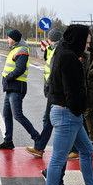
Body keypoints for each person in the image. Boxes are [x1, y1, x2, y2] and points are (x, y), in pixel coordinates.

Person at [43, 24, 93, 185]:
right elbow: (72, 89)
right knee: (58, 159)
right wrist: (78, 110)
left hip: (67, 112)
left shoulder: (63, 52)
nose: (88, 46)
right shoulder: (68, 58)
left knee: (87, 150)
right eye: (87, 42)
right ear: (78, 39)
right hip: (67, 113)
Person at [0, 30, 40, 150]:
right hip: (10, 87)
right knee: (7, 114)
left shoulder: (22, 50)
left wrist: (7, 78)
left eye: (9, 38)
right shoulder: (15, 49)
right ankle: (8, 141)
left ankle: (37, 137)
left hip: (16, 87)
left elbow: (20, 69)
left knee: (18, 115)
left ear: (14, 39)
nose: (7, 40)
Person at [27, 27, 62, 158]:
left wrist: (48, 87)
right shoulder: (54, 50)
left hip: (54, 90)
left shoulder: (57, 51)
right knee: (74, 122)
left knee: (48, 119)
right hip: (54, 90)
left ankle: (40, 147)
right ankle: (77, 149)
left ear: (50, 39)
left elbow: (53, 72)